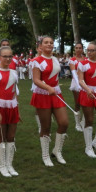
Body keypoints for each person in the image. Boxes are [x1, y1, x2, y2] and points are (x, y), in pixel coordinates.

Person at [31, 35, 69, 167]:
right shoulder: (37, 60)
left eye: (51, 43)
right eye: (46, 43)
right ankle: (45, 155)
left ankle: (57, 151)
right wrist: (48, 88)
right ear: (40, 46)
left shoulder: (55, 59)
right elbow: (36, 80)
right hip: (43, 95)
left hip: (56, 93)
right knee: (46, 127)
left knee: (64, 123)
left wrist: (54, 88)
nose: (49, 44)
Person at [0, 45, 20, 177]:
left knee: (11, 136)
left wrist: (17, 108)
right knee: (2, 136)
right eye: (5, 56)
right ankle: (2, 165)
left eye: (10, 56)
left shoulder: (14, 72)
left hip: (12, 107)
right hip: (1, 107)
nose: (8, 59)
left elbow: (15, 91)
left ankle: (9, 164)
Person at [68, 42, 86, 131]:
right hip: (76, 83)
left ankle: (83, 121)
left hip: (85, 83)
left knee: (86, 103)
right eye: (76, 48)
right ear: (74, 49)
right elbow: (74, 72)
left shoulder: (86, 59)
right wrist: (79, 84)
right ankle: (77, 124)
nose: (78, 49)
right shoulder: (72, 60)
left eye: (80, 48)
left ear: (82, 49)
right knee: (78, 103)